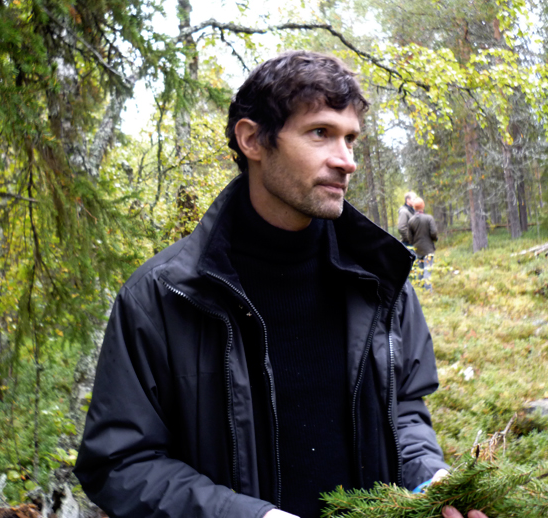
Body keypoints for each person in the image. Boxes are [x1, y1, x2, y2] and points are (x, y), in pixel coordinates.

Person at [73, 51, 486, 518]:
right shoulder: (163, 297)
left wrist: (427, 476)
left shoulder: (380, 282)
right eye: (320, 133)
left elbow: (405, 410)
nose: (346, 161)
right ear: (252, 140)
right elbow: (119, 463)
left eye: (351, 139)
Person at [408, 197, 438, 291]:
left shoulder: (411, 220)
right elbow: (433, 232)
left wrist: (414, 243)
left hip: (417, 249)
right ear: (423, 206)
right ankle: (428, 290)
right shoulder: (429, 218)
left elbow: (409, 237)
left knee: (420, 270)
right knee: (427, 270)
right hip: (428, 248)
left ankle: (421, 289)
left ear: (414, 207)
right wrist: (434, 239)